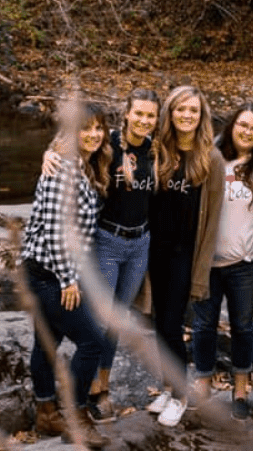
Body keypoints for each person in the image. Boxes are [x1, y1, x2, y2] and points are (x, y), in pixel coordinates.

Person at [20, 101, 113, 449]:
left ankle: (45, 413)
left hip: (43, 270)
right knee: (92, 342)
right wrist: (68, 280)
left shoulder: (80, 162)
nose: (92, 134)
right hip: (50, 274)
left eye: (97, 128)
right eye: (84, 128)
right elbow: (59, 232)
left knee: (47, 343)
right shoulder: (64, 170)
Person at [144, 85, 226, 428]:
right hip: (152, 253)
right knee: (155, 324)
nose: (186, 115)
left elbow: (212, 224)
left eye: (193, 110)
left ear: (201, 115)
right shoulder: (157, 150)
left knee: (171, 325)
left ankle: (180, 395)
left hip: (183, 256)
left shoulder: (212, 159)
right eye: (180, 109)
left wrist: (200, 275)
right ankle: (167, 387)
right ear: (170, 113)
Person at [190, 102, 253, 421]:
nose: (247, 132)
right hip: (208, 261)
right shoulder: (210, 157)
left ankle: (240, 389)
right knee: (203, 325)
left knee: (242, 326)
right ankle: (203, 385)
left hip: (246, 263)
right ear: (232, 126)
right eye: (243, 125)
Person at [83, 88, 160, 423]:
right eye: (138, 113)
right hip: (108, 240)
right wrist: (49, 155)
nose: (144, 121)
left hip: (140, 243)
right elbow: (75, 145)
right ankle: (91, 389)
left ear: (157, 120)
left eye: (150, 116)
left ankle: (102, 381)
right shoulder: (108, 143)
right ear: (126, 113)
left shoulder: (158, 151)